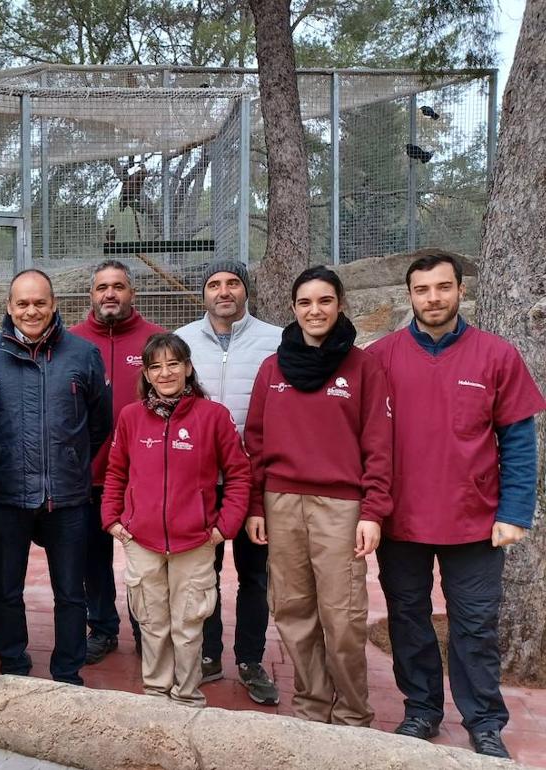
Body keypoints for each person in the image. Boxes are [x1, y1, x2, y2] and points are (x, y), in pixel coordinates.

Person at [366, 249, 544, 759]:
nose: (433, 298)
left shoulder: (496, 355)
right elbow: (366, 440)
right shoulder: (382, 357)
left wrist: (514, 513)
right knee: (408, 617)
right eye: (422, 290)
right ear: (410, 296)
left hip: (476, 521)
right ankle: (421, 709)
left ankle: (484, 721)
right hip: (401, 520)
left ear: (461, 290)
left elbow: (517, 440)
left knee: (475, 624)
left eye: (443, 287)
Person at [243, 266, 392, 726]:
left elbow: (379, 445)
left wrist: (373, 511)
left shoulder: (363, 367)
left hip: (341, 509)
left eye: (324, 300)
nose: (315, 310)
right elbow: (256, 441)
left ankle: (351, 714)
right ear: (293, 309)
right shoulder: (273, 368)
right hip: (281, 504)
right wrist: (254, 506)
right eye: (305, 302)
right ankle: (310, 707)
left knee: (342, 617)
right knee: (292, 609)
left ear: (340, 304)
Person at [0, 269, 112, 686]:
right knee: (7, 589)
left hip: (67, 497)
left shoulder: (83, 355)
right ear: (9, 307)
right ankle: (14, 662)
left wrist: (71, 457)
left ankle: (67, 670)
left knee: (70, 592)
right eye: (22, 304)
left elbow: (99, 423)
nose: (31, 311)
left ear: (54, 306)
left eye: (39, 303)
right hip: (6, 495)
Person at [102, 333, 251, 707]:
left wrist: (223, 528)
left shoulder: (213, 416)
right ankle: (155, 693)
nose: (165, 372)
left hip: (195, 542)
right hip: (142, 540)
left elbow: (239, 474)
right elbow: (116, 471)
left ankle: (186, 695)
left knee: (188, 625)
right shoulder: (131, 417)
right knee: (152, 622)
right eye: (156, 366)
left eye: (173, 364)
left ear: (187, 367)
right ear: (146, 374)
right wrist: (113, 520)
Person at [175, 259, 281, 705]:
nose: (224, 291)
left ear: (245, 290)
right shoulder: (181, 341)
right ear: (203, 293)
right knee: (205, 574)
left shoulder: (275, 341)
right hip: (200, 481)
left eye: (233, 283)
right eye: (214, 283)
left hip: (256, 482)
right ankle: (209, 655)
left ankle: (252, 660)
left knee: (255, 577)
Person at [70, 259, 163, 662]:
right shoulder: (71, 340)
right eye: (102, 287)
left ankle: (149, 631)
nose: (110, 294)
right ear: (91, 295)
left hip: (142, 478)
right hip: (88, 476)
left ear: (132, 293)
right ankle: (103, 627)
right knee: (93, 560)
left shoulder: (156, 340)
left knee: (145, 564)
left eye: (119, 286)